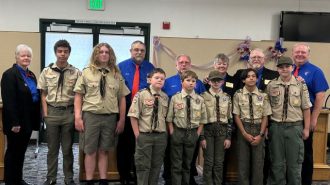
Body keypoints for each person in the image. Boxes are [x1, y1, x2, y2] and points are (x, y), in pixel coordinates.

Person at [74, 43, 130, 185]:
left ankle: (104, 180)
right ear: (96, 55)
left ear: (110, 55)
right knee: (90, 150)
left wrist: (122, 120)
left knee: (105, 150)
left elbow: (122, 97)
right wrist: (78, 117)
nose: (104, 54)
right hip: (91, 116)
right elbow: (78, 95)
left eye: (107, 52)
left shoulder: (116, 74)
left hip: (110, 117)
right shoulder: (86, 72)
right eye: (101, 52)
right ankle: (89, 180)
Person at [233, 48, 279, 184]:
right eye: (254, 57)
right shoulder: (238, 94)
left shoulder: (264, 95)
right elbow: (236, 115)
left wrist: (261, 134)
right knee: (243, 163)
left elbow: (266, 115)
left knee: (258, 164)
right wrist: (243, 133)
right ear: (243, 80)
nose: (251, 78)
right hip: (244, 128)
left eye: (254, 77)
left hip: (259, 128)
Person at [38, 40, 80, 185]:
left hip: (68, 113)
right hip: (52, 113)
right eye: (60, 51)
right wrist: (45, 114)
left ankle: (69, 178)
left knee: (68, 149)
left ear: (69, 53)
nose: (62, 54)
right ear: (56, 52)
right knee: (52, 149)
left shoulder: (76, 72)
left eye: (65, 51)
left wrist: (76, 115)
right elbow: (43, 94)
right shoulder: (46, 71)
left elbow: (79, 95)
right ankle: (51, 178)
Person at [267, 56, 312, 185]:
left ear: (292, 68)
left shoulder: (300, 85)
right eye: (281, 67)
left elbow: (306, 108)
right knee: (277, 163)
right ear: (278, 69)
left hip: (295, 128)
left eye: (287, 66)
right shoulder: (271, 85)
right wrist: (266, 129)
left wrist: (306, 128)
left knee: (294, 164)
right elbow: (266, 109)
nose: (284, 69)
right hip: (276, 127)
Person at [162, 54, 206, 185]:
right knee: (174, 160)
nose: (184, 64)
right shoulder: (169, 83)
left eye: (187, 62)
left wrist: (198, 133)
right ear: (176, 65)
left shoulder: (199, 90)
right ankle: (171, 181)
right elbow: (169, 115)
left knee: (188, 162)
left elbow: (203, 117)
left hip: (192, 131)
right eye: (181, 62)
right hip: (177, 130)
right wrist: (171, 131)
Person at [1, 44, 40, 185]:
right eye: (23, 55)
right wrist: (14, 123)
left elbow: (34, 96)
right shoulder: (9, 74)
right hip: (16, 123)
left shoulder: (31, 75)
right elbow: (9, 101)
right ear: (16, 57)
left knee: (21, 153)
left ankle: (18, 179)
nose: (26, 58)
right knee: (13, 152)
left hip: (28, 121)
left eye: (28, 56)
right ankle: (10, 181)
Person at [117, 40, 154, 185]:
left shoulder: (150, 67)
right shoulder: (121, 66)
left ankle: (137, 175)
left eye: (142, 50)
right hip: (125, 112)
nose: (139, 52)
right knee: (123, 146)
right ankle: (123, 176)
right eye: (136, 50)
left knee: (139, 146)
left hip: (143, 115)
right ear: (130, 51)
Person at [291, 43, 329, 185]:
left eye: (303, 52)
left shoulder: (315, 71)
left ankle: (306, 182)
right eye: (297, 52)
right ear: (292, 54)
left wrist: (313, 120)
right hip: (289, 118)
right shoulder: (289, 69)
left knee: (305, 153)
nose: (300, 54)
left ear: (308, 54)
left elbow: (320, 96)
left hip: (305, 118)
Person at [127, 68, 169, 185]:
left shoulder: (165, 97)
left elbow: (165, 118)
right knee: (143, 166)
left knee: (156, 166)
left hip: (160, 136)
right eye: (157, 78)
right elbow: (133, 116)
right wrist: (137, 135)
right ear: (149, 80)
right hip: (145, 135)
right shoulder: (141, 94)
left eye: (162, 79)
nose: (160, 80)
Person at [203, 53, 236, 185]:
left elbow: (230, 118)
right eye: (213, 81)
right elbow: (200, 118)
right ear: (209, 81)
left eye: (218, 81)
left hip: (222, 132)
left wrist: (228, 137)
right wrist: (202, 137)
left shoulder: (227, 97)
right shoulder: (203, 95)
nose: (216, 83)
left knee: (219, 162)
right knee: (209, 161)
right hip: (208, 131)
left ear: (222, 82)